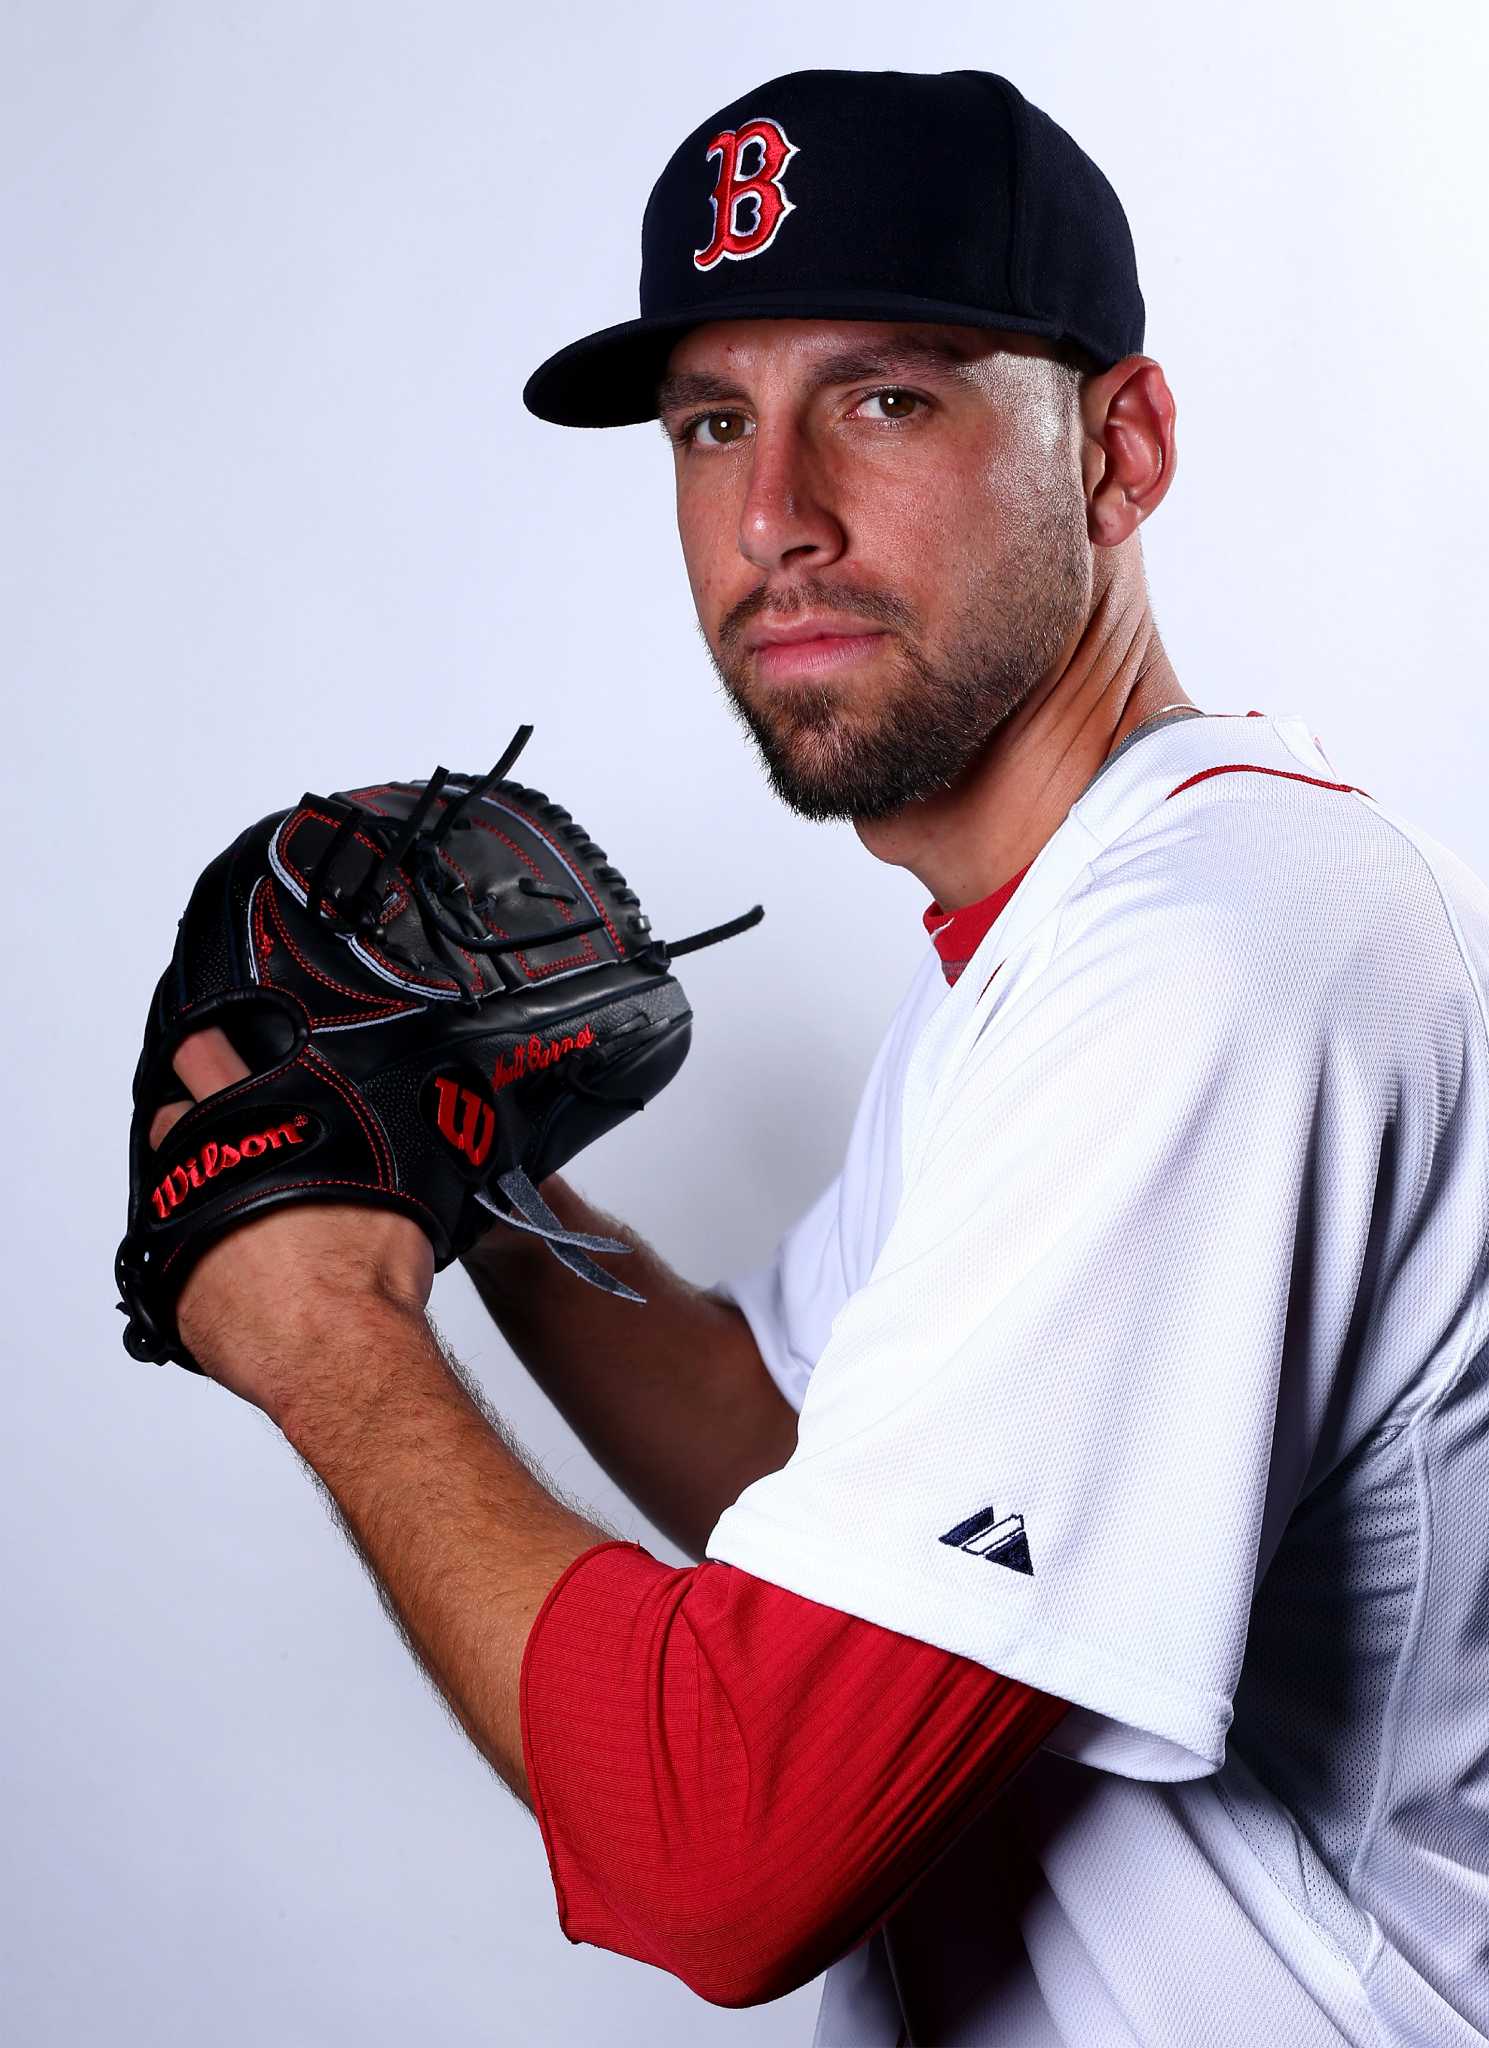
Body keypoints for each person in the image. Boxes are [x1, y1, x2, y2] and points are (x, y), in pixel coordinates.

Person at [150, 68, 1489, 2047]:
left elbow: (731, 1842)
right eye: (712, 422)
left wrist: (325, 1331)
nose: (771, 515)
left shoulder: (1220, 954)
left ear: (1120, 452)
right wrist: (487, 1182)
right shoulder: (1040, 956)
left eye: (883, 397)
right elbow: (791, 1453)